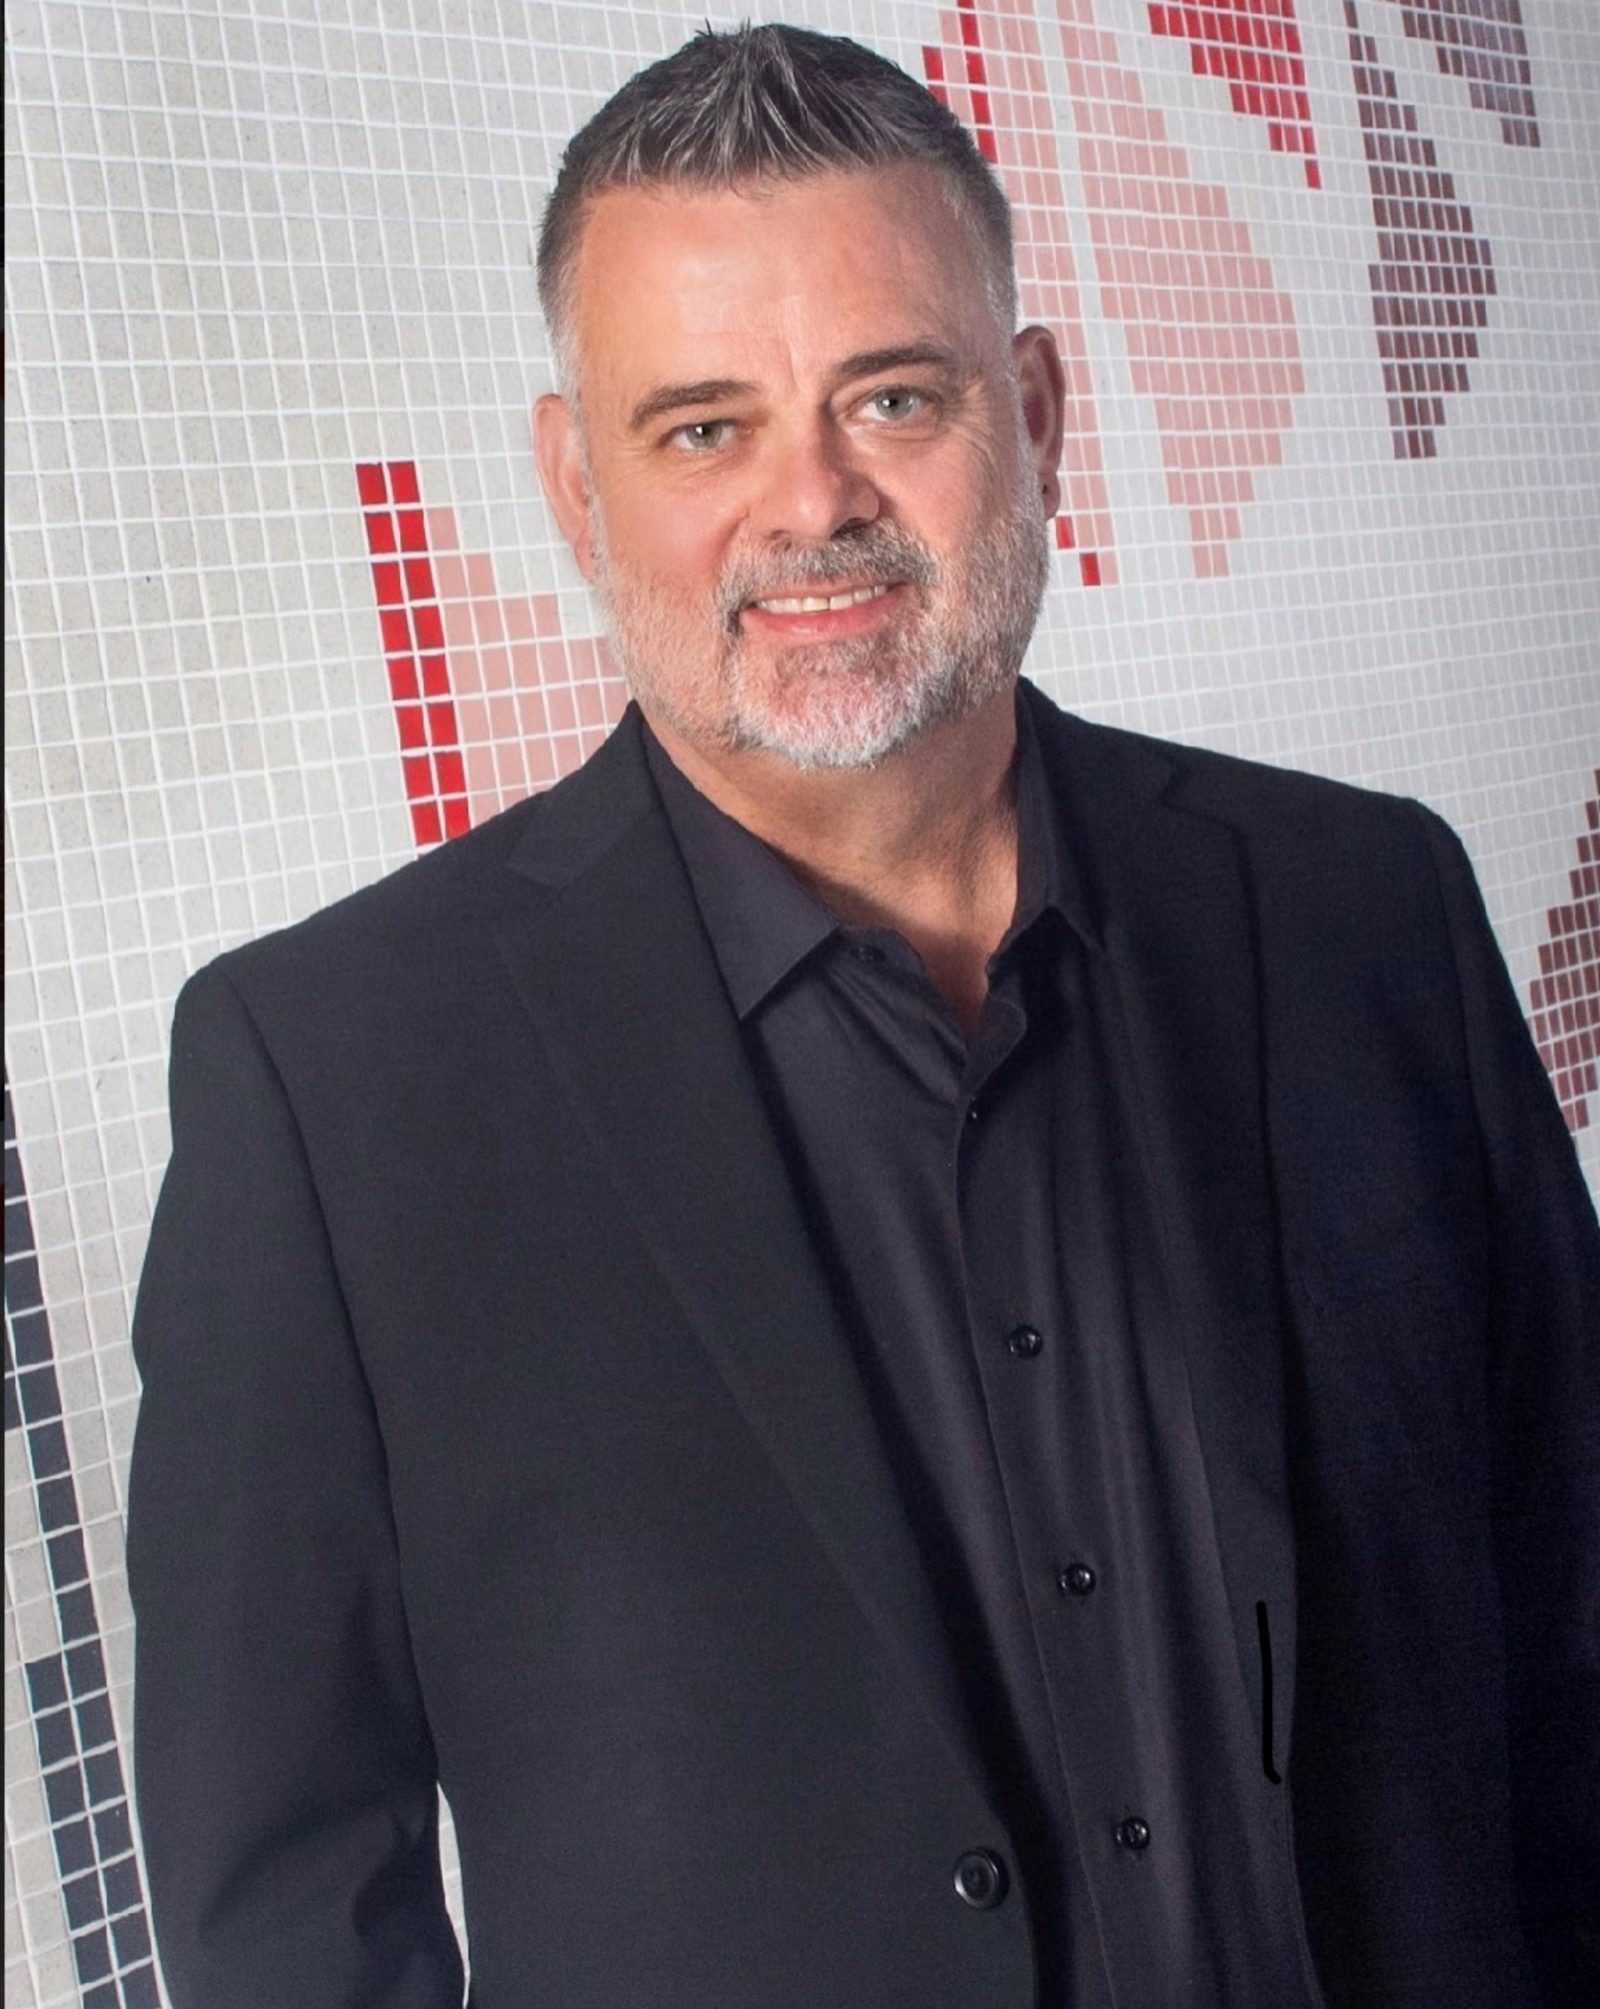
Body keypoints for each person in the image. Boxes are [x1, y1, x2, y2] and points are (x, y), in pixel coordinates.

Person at [126, 23, 1599, 2009]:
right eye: (700, 428)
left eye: (889, 396)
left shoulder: (1362, 912)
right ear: (577, 482)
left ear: (1037, 411)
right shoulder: (331, 1084)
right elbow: (284, 1903)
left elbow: (1566, 1612)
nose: (808, 505)